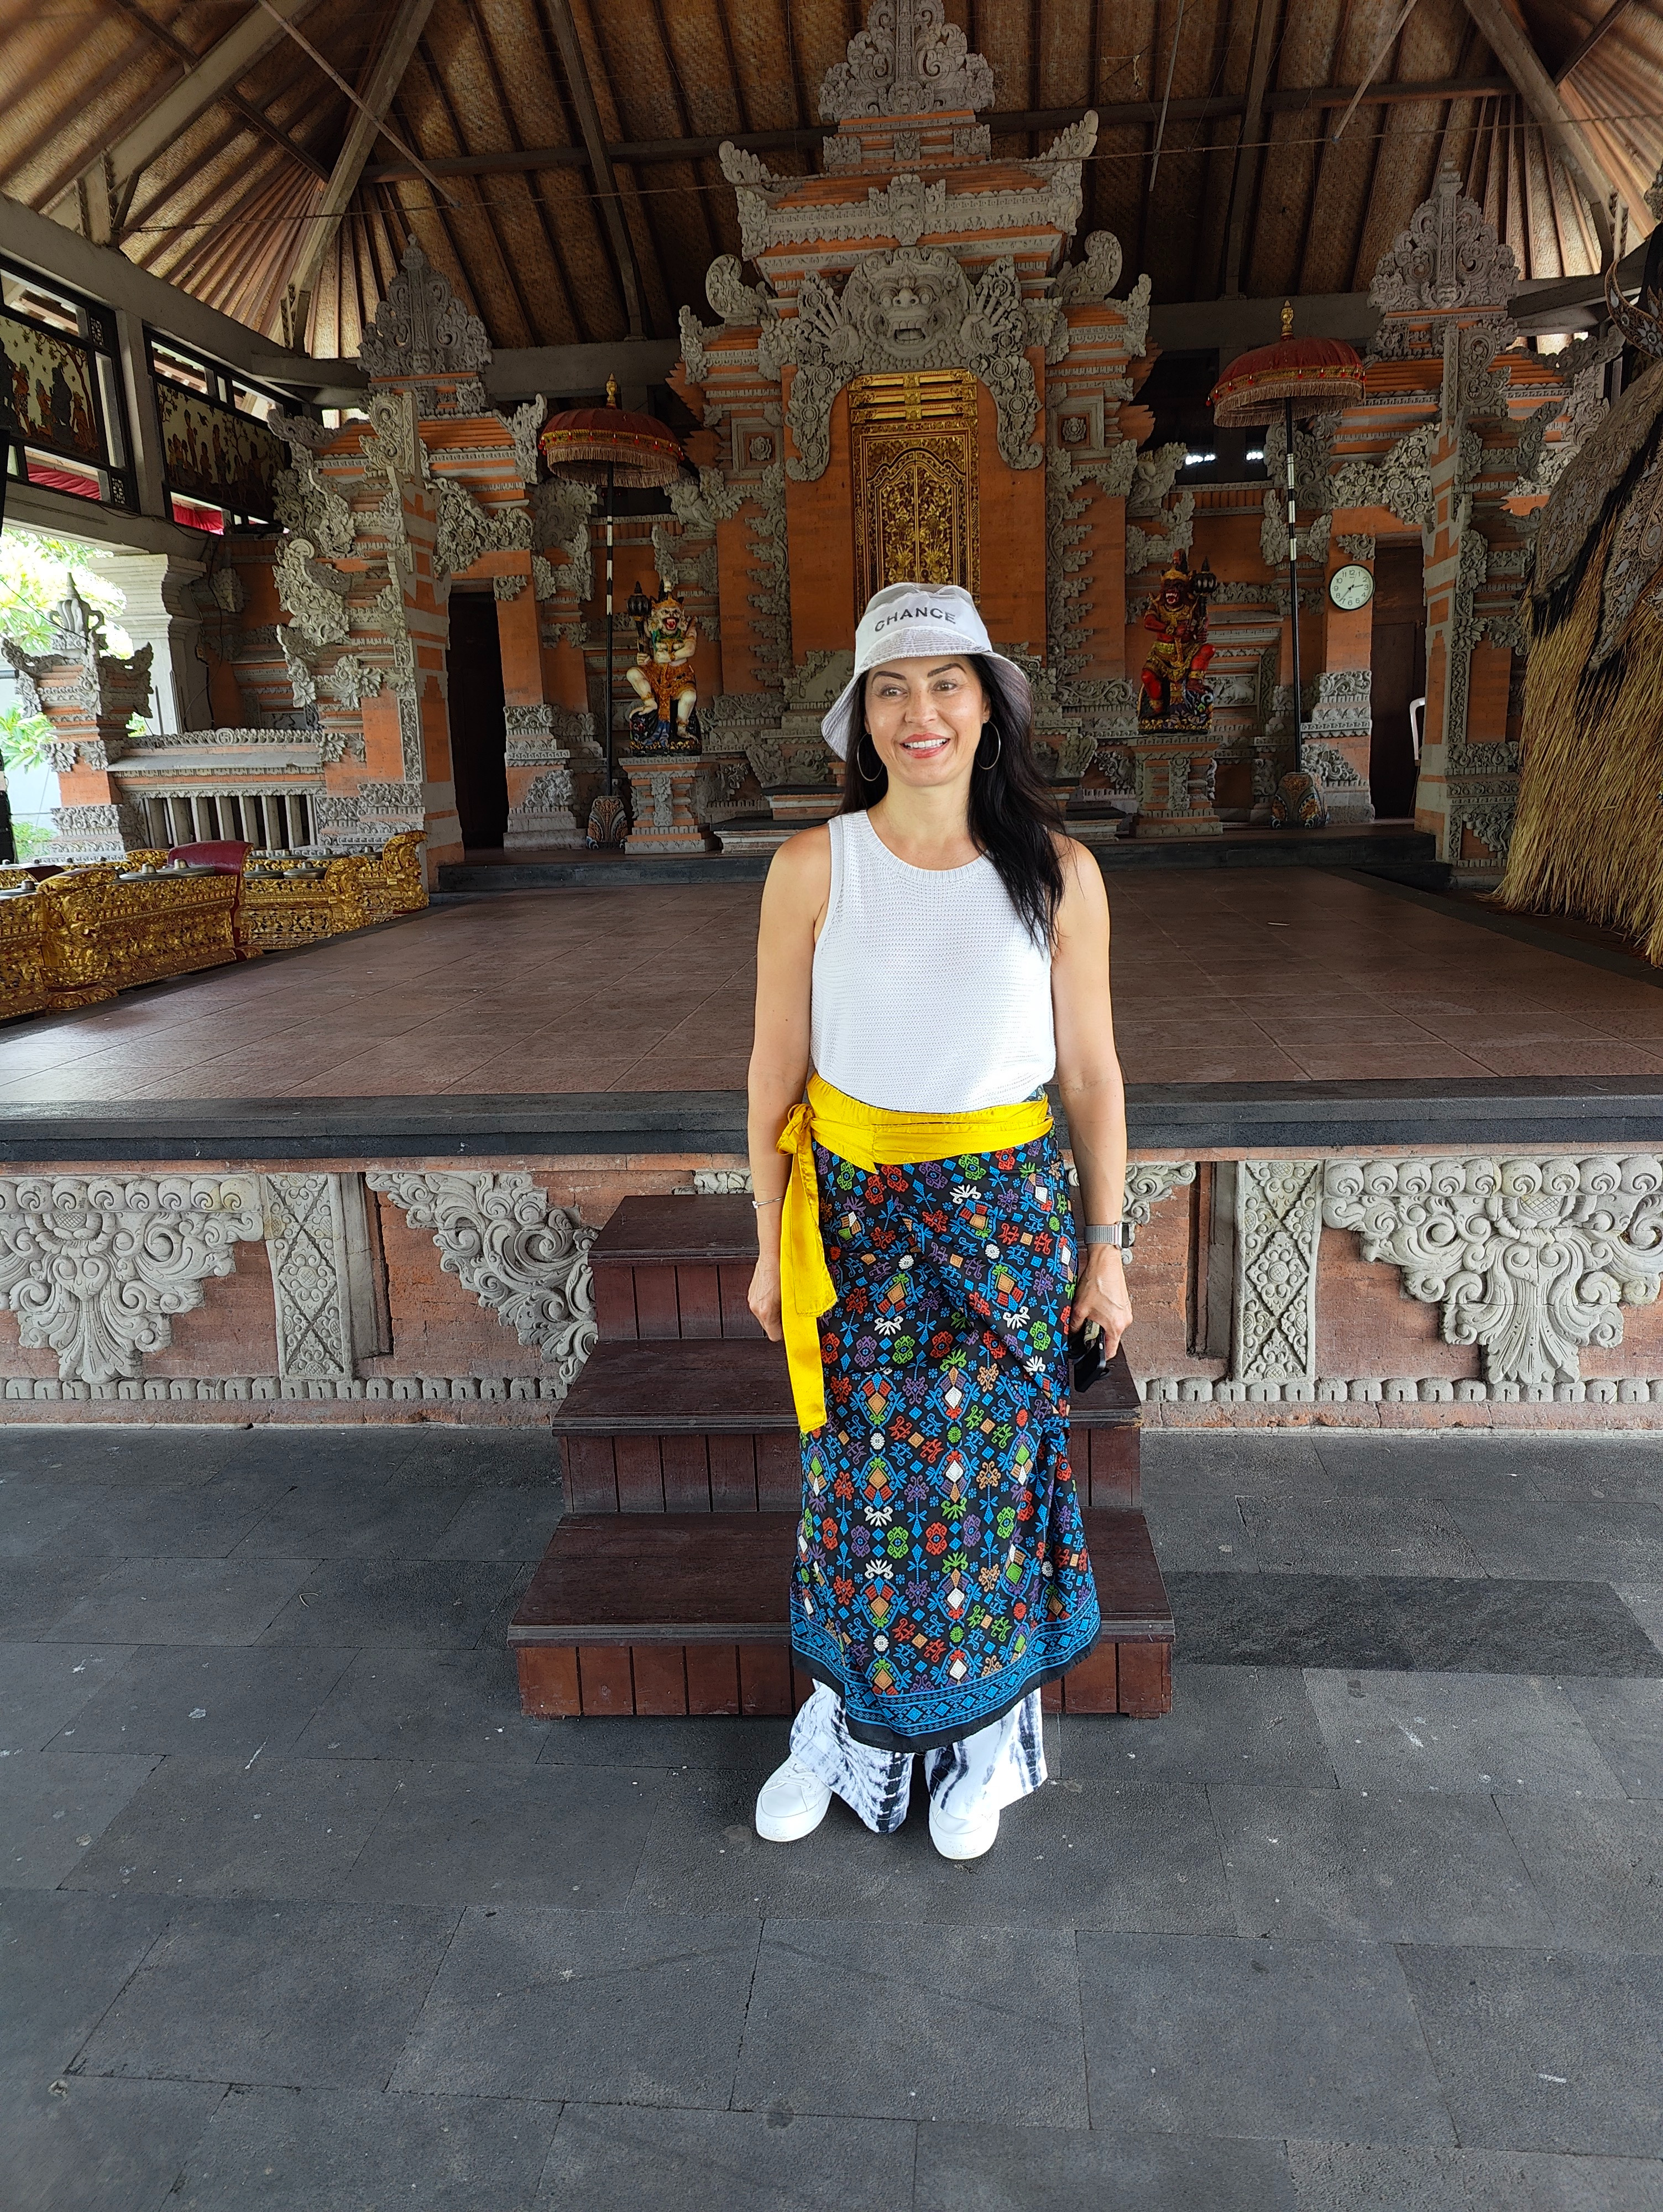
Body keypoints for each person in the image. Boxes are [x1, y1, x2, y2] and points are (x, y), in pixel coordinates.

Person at [744, 580, 1133, 1861]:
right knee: (856, 1485)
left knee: (989, 1486)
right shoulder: (813, 867)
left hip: (1006, 1221)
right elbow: (773, 1072)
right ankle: (836, 1734)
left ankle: (988, 1754)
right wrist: (766, 1240)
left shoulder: (1059, 874)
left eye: (946, 684)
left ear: (988, 708)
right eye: (892, 689)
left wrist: (1106, 1250)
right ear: (862, 719)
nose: (922, 713)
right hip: (853, 1218)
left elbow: (1091, 1078)